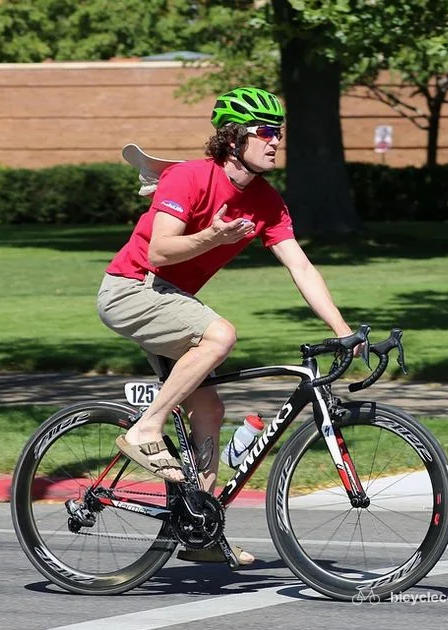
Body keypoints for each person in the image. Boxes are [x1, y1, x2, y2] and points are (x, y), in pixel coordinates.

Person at [96, 86, 355, 563]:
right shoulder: (189, 177)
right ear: (235, 139)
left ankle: (200, 531)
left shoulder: (266, 202)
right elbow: (159, 252)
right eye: (266, 132)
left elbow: (300, 265)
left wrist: (342, 330)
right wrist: (212, 236)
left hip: (170, 299)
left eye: (279, 133)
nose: (276, 141)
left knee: (210, 410)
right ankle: (145, 429)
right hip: (132, 288)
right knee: (220, 335)